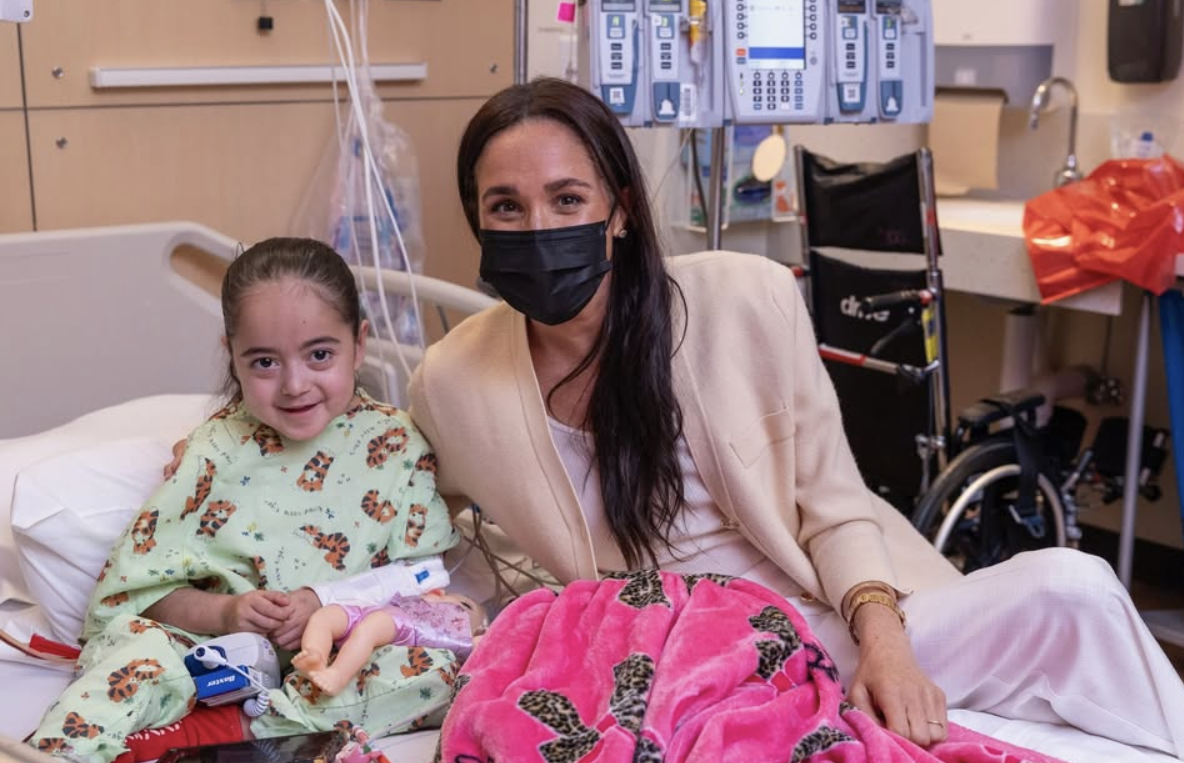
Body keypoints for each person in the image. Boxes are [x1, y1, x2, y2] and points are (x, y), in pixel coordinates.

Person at [406, 77, 1184, 756]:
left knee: (1073, 587)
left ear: (620, 211)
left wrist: (888, 647)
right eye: (505, 206)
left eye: (568, 199)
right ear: (477, 220)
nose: (538, 227)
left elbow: (835, 501)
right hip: (680, 668)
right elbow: (416, 537)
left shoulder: (744, 301)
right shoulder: (452, 381)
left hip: (829, 626)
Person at [28, 238, 459, 763]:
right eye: (264, 363)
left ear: (360, 343)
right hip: (206, 654)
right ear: (232, 355)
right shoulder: (215, 451)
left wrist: (330, 609)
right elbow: (139, 596)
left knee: (436, 672)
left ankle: (236, 728)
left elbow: (425, 594)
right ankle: (58, 754)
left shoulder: (396, 447)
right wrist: (229, 611)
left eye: (320, 354)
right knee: (134, 656)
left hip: (341, 658)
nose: (295, 385)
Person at [292, 588, 486, 696]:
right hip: (366, 614)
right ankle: (316, 655)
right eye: (464, 605)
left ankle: (337, 675)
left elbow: (486, 643)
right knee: (325, 616)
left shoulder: (456, 638)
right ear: (436, 593)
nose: (464, 615)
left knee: (369, 629)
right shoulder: (422, 600)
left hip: (401, 626)